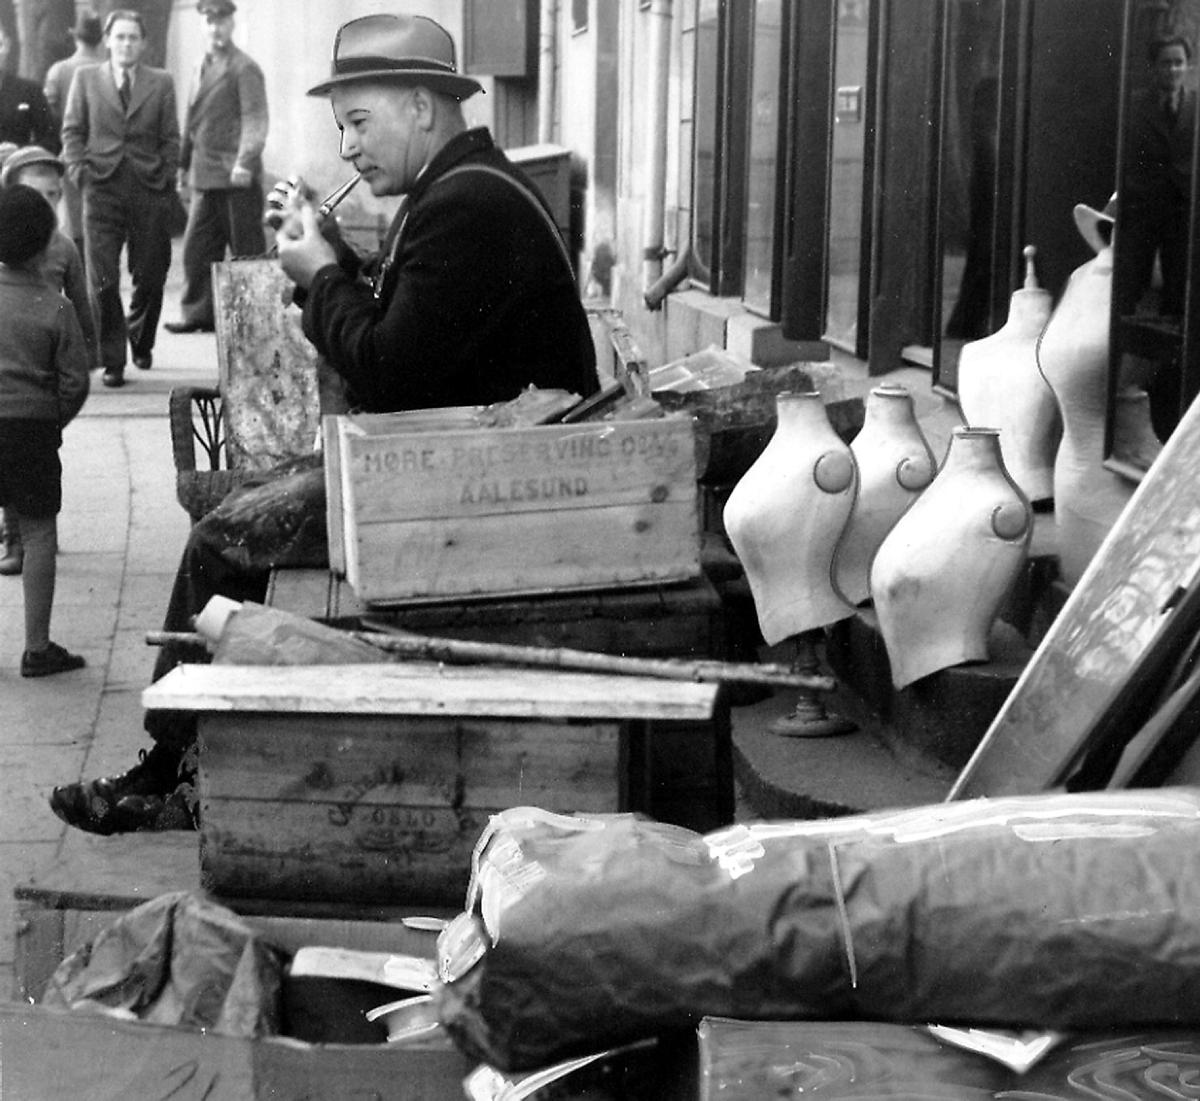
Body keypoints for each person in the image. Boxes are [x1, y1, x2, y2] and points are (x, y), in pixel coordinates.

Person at [48, 11, 599, 835]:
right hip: (472, 463)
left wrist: (320, 275)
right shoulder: (462, 189)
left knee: (221, 537)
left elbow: (384, 365)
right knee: (249, 509)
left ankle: (172, 772)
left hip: (485, 494)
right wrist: (336, 259)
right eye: (343, 128)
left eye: (358, 122)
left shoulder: (465, 205)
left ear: (421, 106)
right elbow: (412, 327)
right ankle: (186, 761)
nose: (346, 148)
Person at [61, 9, 180, 389]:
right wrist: (80, 172)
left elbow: (171, 139)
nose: (126, 44)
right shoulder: (86, 79)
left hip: (148, 190)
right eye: (120, 37)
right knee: (103, 279)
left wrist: (164, 177)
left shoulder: (160, 82)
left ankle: (141, 339)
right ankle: (113, 360)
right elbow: (72, 130)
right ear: (108, 41)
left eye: (133, 37)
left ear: (142, 44)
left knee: (150, 274)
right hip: (101, 190)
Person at [0, 184, 90, 676]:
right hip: (31, 432)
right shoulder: (56, 308)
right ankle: (37, 648)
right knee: (38, 536)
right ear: (47, 245)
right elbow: (75, 382)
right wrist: (52, 421)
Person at [0, 145, 101, 577]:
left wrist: (90, 359)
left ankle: (35, 533)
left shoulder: (64, 249)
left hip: (48, 375)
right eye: (38, 195)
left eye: (55, 195)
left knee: (36, 475)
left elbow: (82, 303)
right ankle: (15, 535)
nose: (49, 205)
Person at [164, 0, 267, 335]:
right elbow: (192, 121)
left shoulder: (244, 67)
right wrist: (182, 166)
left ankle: (255, 319)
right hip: (205, 176)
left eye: (221, 20)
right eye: (209, 21)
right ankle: (198, 314)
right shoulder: (199, 66)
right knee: (196, 250)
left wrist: (245, 162)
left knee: (247, 253)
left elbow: (255, 120)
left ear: (231, 23)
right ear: (203, 25)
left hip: (236, 179)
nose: (215, 27)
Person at [1117, 33, 1196, 319]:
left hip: (1182, 211)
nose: (1173, 70)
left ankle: (1169, 358)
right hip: (1143, 209)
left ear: (1187, 65)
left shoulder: (1196, 106)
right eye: (1166, 63)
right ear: (1154, 67)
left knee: (1178, 285)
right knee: (1131, 282)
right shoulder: (1133, 105)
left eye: (1179, 62)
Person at [43, 10, 106, 261]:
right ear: (101, 39)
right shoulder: (109, 70)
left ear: (75, 37)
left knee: (75, 228)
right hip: (106, 159)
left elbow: (52, 116)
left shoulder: (59, 71)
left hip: (71, 156)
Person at [0, 24, 58, 151]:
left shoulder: (30, 91)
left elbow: (51, 141)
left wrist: (20, 151)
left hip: (19, 168)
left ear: (8, 45)